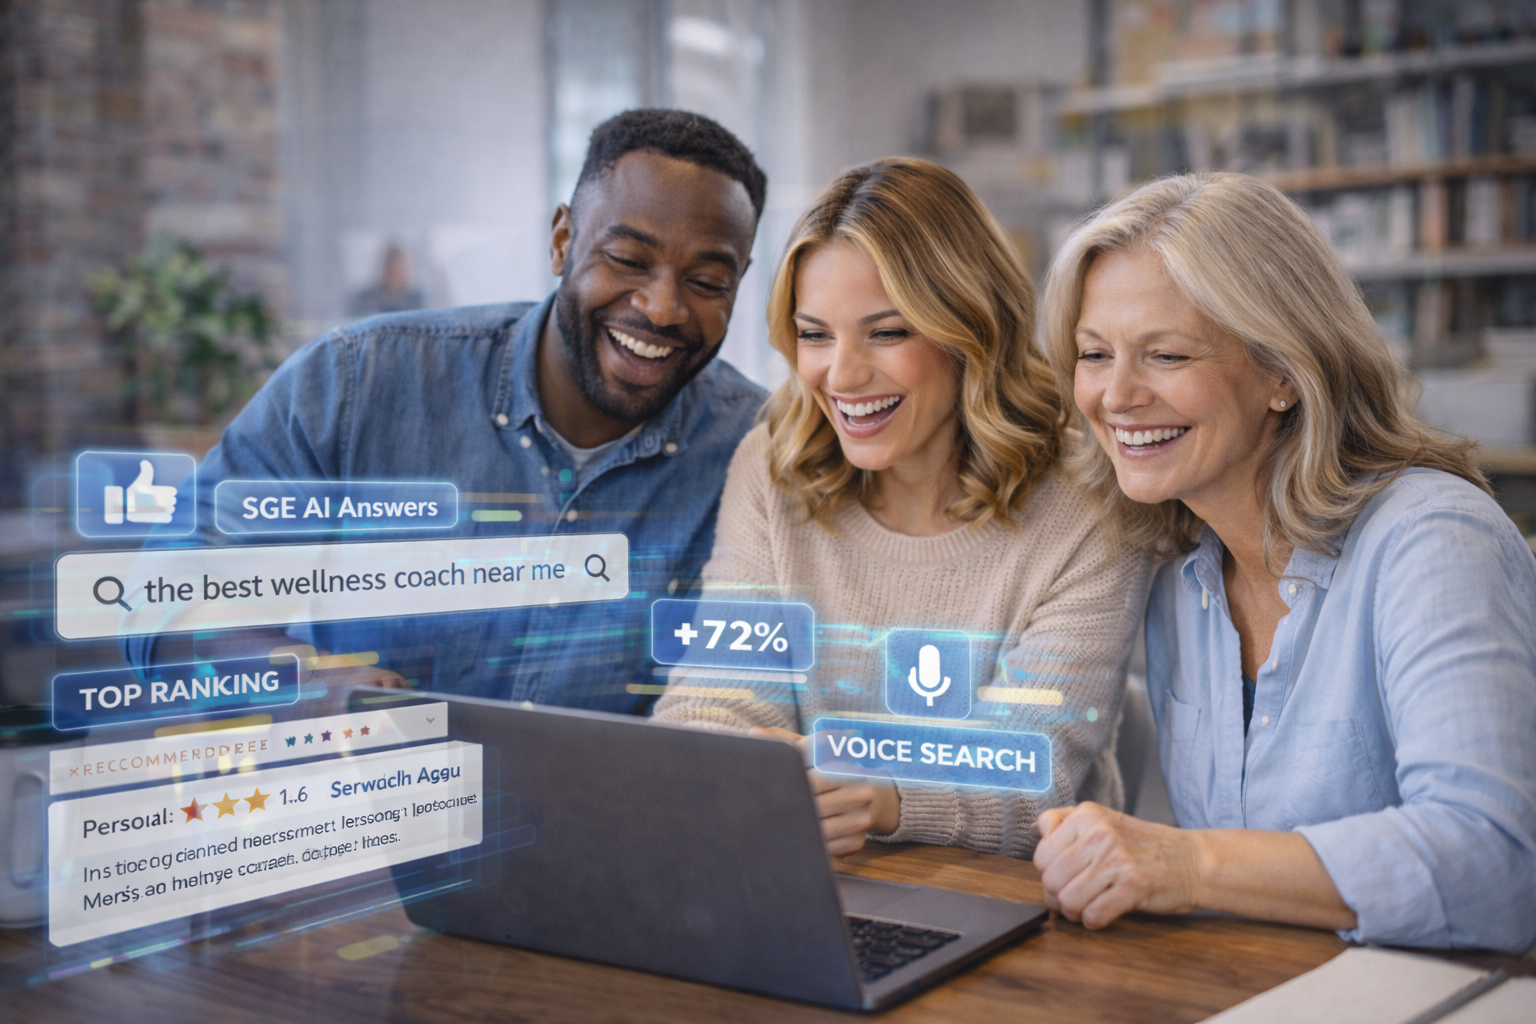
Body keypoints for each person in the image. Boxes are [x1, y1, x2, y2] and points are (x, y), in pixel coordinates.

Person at [1032, 172, 1536, 953]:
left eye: (1164, 355)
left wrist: (1186, 864)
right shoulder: (1178, 563)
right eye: (1094, 354)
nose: (1115, 395)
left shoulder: (1436, 541)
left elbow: (1495, 863)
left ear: (1283, 372)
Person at [126, 109, 769, 712]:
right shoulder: (358, 382)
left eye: (707, 283)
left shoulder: (759, 453)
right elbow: (167, 598)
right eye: (628, 260)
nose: (661, 308)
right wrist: (309, 681)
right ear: (562, 241)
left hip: (610, 827)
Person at [653, 159, 1151, 858]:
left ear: (968, 329)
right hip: (811, 881)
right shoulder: (773, 468)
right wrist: (737, 758)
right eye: (815, 334)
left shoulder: (1089, 503)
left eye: (887, 333)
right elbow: (713, 696)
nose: (842, 375)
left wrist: (881, 795)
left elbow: (1031, 768)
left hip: (1019, 902)